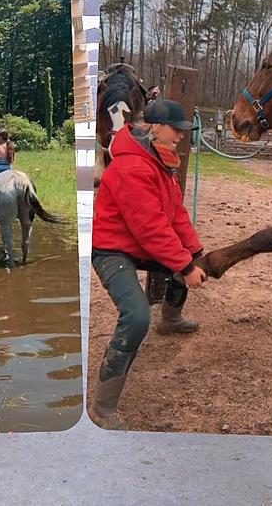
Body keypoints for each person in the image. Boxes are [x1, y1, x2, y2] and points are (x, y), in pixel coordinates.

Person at [89, 99, 208, 430]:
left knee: (182, 263)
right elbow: (152, 228)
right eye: (177, 130)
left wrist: (195, 251)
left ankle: (170, 319)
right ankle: (103, 407)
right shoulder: (134, 167)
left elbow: (175, 214)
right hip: (111, 249)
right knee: (137, 316)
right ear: (155, 127)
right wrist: (186, 266)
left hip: (137, 244)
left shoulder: (160, 161)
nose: (182, 137)